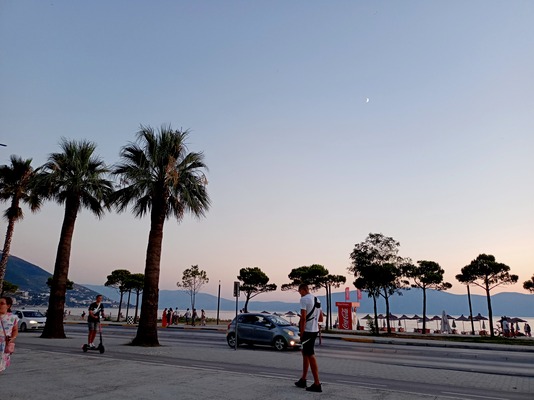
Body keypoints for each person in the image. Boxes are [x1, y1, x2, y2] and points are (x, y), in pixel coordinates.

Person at [294, 284, 323, 393]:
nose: (299, 294)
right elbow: (320, 317)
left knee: (310, 354)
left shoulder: (304, 299)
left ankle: (317, 384)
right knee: (305, 353)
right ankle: (303, 379)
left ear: (303, 289)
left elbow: (303, 318)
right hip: (315, 330)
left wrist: (301, 333)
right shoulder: (317, 299)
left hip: (307, 331)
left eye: (299, 291)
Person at [0, 296, 18, 373]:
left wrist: (13, 338)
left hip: (4, 344)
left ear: (8, 305)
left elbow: (15, 330)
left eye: (2, 303)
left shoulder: (13, 317)